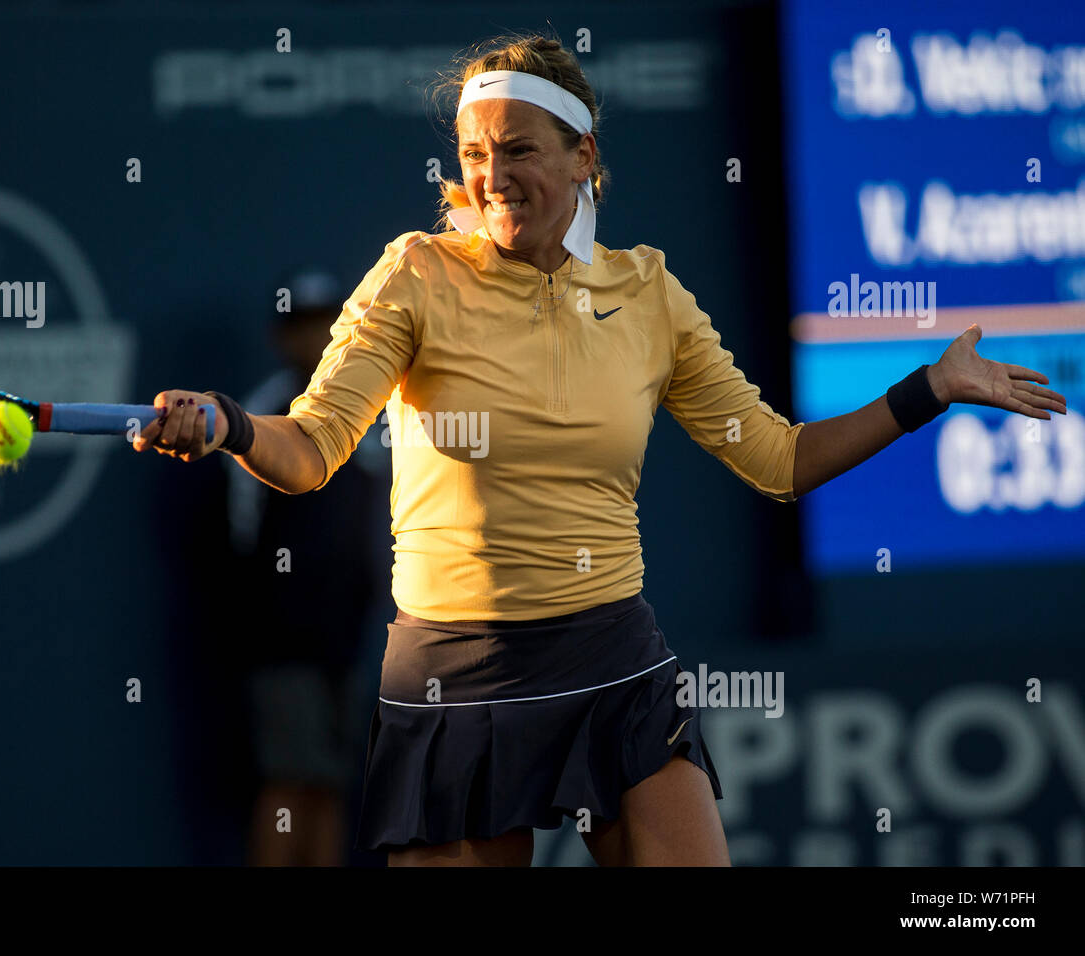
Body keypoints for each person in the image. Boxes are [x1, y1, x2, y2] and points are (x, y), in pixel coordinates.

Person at [134, 34, 1066, 867]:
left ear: (584, 157)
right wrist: (226, 424)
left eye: (519, 150)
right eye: (473, 154)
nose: (491, 176)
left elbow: (780, 462)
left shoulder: (649, 294)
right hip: (458, 670)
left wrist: (928, 391)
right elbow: (309, 449)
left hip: (611, 660)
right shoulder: (415, 275)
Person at [228, 269, 387, 866]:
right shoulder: (256, 417)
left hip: (352, 642)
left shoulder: (374, 419)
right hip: (280, 645)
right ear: (280, 337)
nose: (317, 338)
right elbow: (239, 538)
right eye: (302, 325)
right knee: (289, 780)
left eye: (327, 323)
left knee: (333, 781)